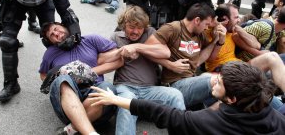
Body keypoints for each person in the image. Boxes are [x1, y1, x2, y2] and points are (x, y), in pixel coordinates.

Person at [88, 57, 285, 135]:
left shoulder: (211, 122)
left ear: (232, 99)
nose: (214, 80)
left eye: (220, 83)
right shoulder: (271, 113)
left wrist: (115, 100)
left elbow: (166, 114)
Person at [110, 6, 185, 135]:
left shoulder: (150, 32)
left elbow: (165, 52)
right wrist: (121, 52)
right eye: (131, 27)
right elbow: (104, 59)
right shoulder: (116, 37)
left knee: (175, 95)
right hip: (126, 87)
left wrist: (137, 47)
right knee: (127, 104)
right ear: (124, 25)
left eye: (139, 27)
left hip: (150, 90)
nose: (136, 31)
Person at [39, 22, 121, 135]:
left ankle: (72, 128)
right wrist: (56, 77)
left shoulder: (91, 39)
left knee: (107, 89)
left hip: (94, 93)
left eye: (56, 29)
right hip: (67, 99)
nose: (56, 34)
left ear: (64, 26)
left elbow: (118, 59)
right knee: (62, 80)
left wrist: (87, 72)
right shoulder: (50, 53)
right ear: (51, 42)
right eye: (52, 35)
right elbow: (43, 75)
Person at [143, 3, 218, 109]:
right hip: (174, 85)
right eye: (206, 24)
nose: (207, 28)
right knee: (216, 80)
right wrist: (169, 65)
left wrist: (216, 41)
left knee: (221, 85)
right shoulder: (172, 28)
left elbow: (205, 59)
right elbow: (145, 49)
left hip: (192, 80)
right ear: (197, 20)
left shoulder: (200, 34)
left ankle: (203, 115)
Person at [205, 3, 259, 72]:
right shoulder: (209, 31)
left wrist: (240, 30)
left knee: (271, 57)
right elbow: (210, 60)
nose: (239, 20)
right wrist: (218, 40)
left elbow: (256, 45)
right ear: (225, 19)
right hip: (221, 70)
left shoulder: (233, 30)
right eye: (236, 17)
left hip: (238, 65)